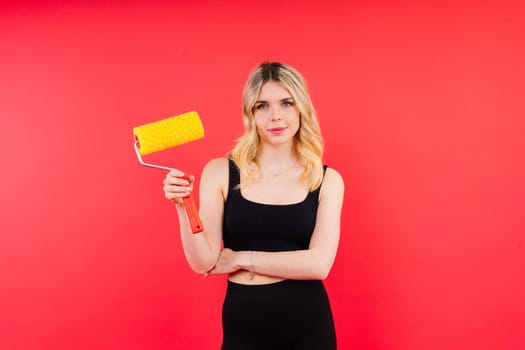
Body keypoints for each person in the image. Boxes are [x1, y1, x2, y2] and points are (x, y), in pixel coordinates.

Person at [163, 62, 344, 350]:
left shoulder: (326, 180)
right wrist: (182, 205)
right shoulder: (220, 172)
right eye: (262, 106)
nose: (276, 116)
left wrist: (239, 259)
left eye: (286, 103)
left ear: (301, 108)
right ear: (250, 113)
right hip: (244, 321)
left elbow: (319, 264)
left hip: (308, 323)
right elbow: (204, 262)